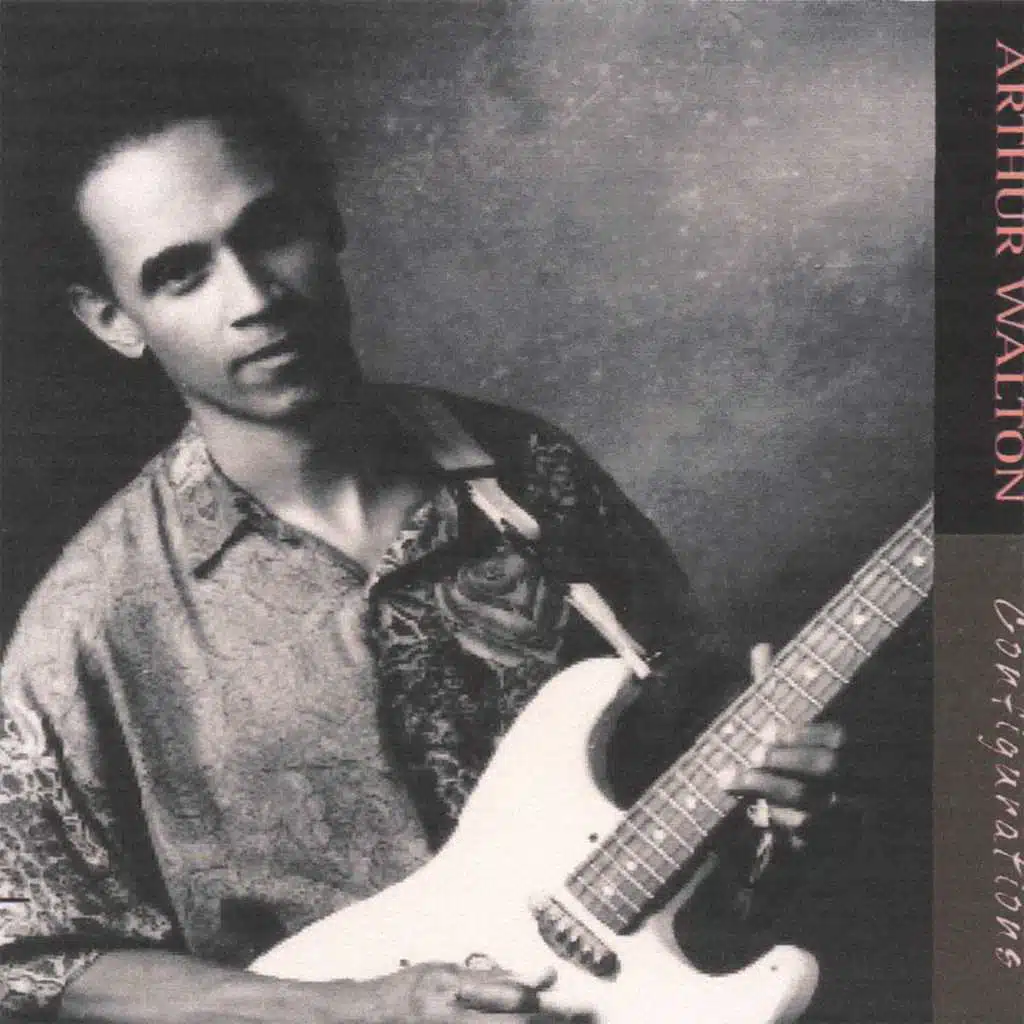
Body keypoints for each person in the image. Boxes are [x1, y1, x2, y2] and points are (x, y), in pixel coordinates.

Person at [0, 61, 847, 1023]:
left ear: (327, 221)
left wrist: (772, 819)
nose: (252, 295)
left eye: (269, 231)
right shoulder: (91, 622)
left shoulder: (535, 473)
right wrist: (352, 1006)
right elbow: (30, 957)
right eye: (180, 273)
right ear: (112, 318)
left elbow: (695, 802)